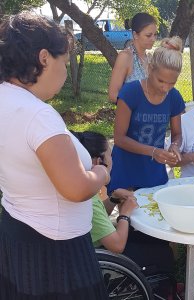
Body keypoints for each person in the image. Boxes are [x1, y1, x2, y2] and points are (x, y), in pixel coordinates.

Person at [0, 13, 109, 299]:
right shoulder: (38, 115)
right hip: (58, 256)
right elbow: (75, 188)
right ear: (45, 58)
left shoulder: (5, 100)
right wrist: (101, 174)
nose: (65, 70)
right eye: (65, 60)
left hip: (18, 238)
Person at [72, 131, 174, 277]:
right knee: (164, 253)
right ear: (97, 162)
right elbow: (117, 246)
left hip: (96, 245)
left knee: (156, 239)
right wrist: (124, 214)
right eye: (110, 156)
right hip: (102, 256)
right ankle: (165, 290)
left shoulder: (82, 188)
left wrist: (113, 199)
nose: (112, 160)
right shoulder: (90, 200)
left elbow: (96, 219)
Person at [108, 36, 185, 194]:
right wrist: (153, 151)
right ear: (150, 69)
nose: (165, 88)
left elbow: (177, 134)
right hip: (126, 166)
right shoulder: (130, 93)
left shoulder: (174, 97)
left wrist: (174, 146)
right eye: (161, 81)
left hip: (153, 170)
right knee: (128, 214)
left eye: (172, 83)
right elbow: (119, 138)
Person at [108, 13, 158, 103]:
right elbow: (113, 94)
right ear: (135, 35)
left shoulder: (150, 58)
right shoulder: (125, 57)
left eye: (155, 34)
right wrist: (137, 106)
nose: (153, 39)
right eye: (148, 35)